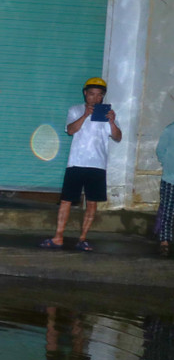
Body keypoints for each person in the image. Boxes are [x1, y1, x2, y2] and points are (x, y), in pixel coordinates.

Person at [41, 77, 122, 252]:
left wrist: (112, 121)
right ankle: (58, 237)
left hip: (98, 165)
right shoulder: (75, 109)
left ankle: (83, 238)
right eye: (92, 94)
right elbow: (70, 130)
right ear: (85, 93)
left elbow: (117, 137)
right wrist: (85, 115)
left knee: (92, 202)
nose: (95, 98)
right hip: (76, 163)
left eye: (99, 95)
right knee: (66, 200)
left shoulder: (108, 114)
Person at [156, 118, 174, 257]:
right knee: (167, 212)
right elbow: (160, 151)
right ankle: (164, 242)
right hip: (170, 179)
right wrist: (169, 167)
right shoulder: (169, 130)